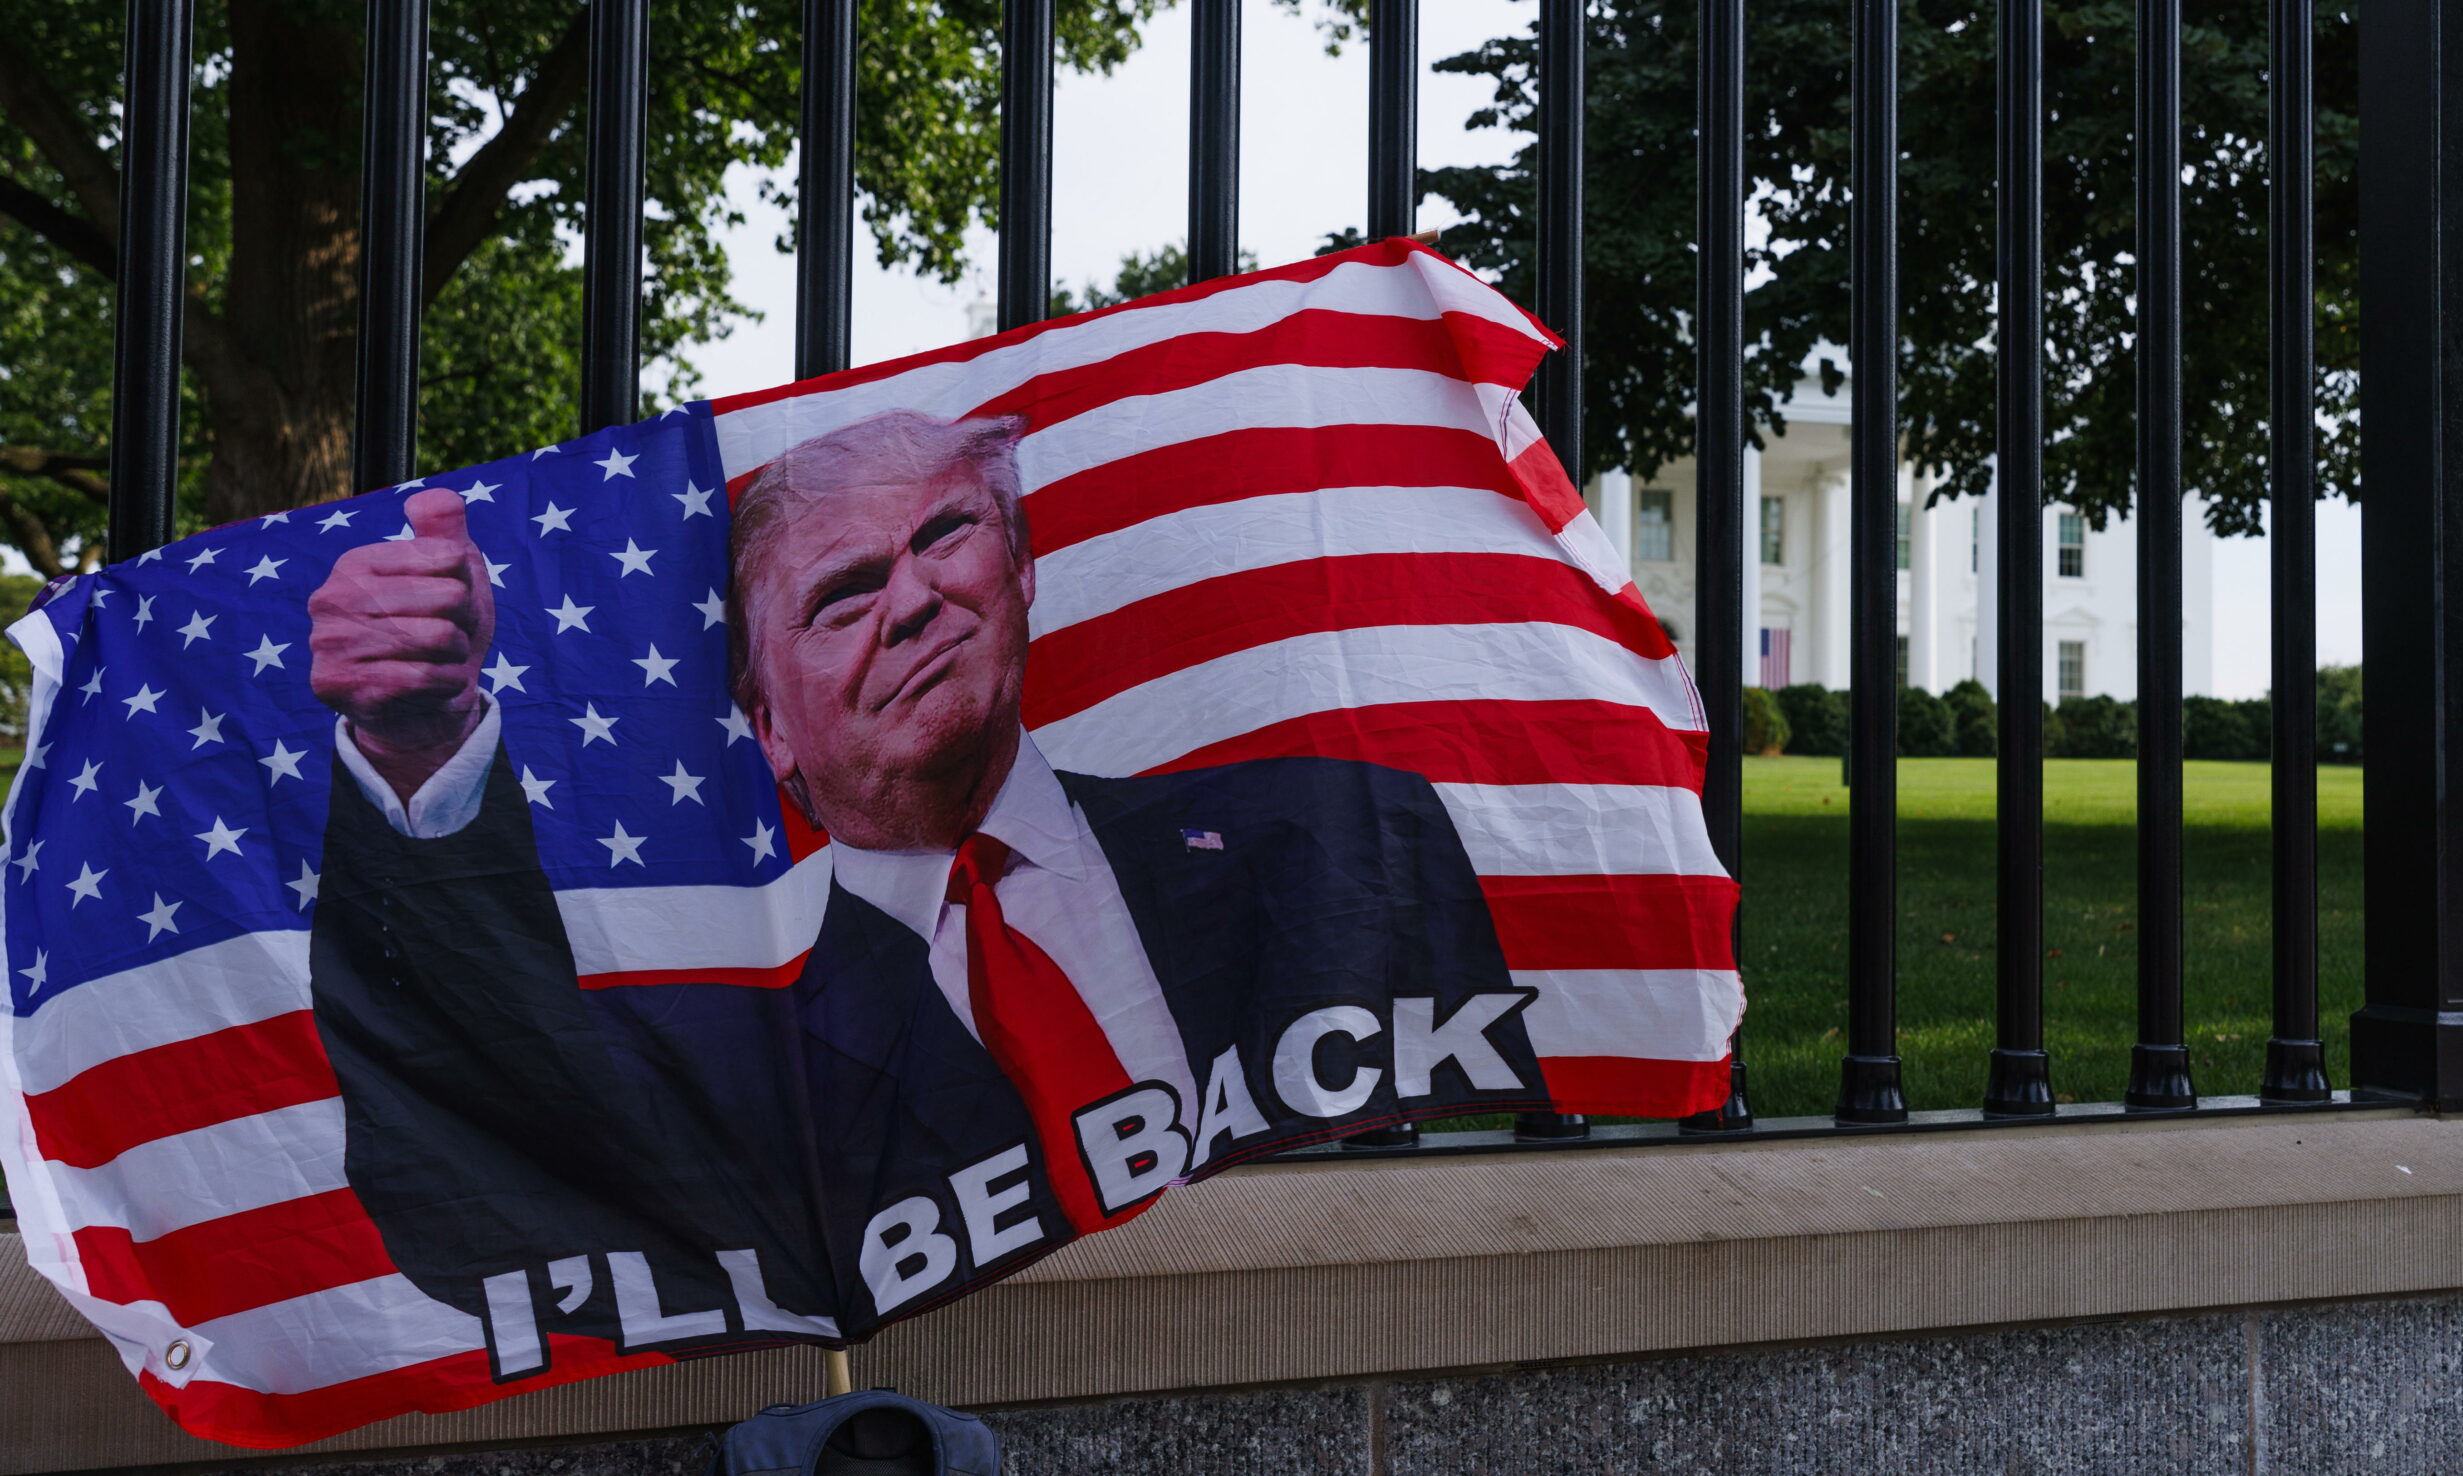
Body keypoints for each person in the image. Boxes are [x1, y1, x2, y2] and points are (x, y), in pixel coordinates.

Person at [305, 410, 1541, 1370]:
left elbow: (1469, 1149)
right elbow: (460, 1169)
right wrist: (422, 754)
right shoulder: (729, 1042)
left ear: (1019, 569)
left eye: (944, 535)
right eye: (841, 597)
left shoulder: (1336, 836)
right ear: (769, 727)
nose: (911, 599)